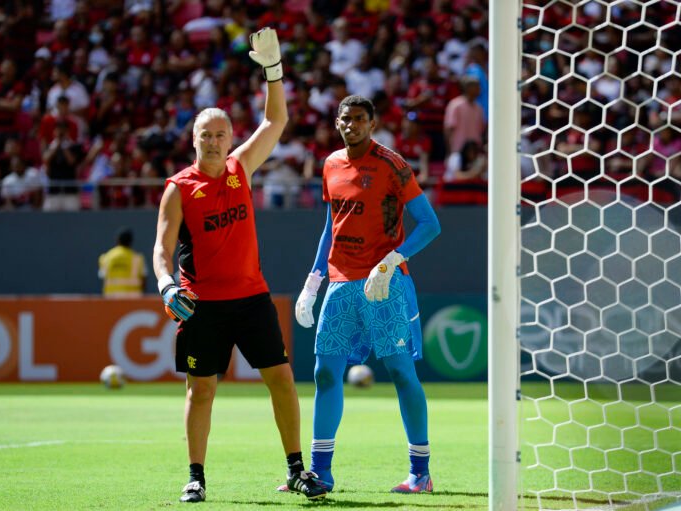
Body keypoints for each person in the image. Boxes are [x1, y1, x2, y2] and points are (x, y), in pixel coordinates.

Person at [152, 28, 326, 503]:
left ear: (230, 138)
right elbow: (161, 248)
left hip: (251, 298)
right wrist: (167, 285)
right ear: (194, 139)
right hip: (201, 305)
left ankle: (296, 470)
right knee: (201, 391)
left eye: (220, 134)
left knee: (282, 381)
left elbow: (276, 120)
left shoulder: (239, 168)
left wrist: (273, 72)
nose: (213, 141)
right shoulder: (179, 188)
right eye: (205, 135)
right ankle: (195, 477)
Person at [293, 95, 441, 494]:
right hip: (340, 284)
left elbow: (430, 224)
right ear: (337, 122)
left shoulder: (393, 165)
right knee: (325, 372)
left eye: (359, 119)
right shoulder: (329, 165)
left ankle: (420, 473)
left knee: (399, 371)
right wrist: (313, 281)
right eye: (345, 118)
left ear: (372, 123)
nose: (351, 125)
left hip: (384, 285)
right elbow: (332, 228)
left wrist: (394, 259)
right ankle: (320, 472)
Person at [98, 228, 147, 298]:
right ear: (131, 241)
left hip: (111, 298)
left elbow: (104, 277)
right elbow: (144, 280)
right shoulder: (137, 259)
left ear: (117, 240)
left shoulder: (106, 258)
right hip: (132, 299)